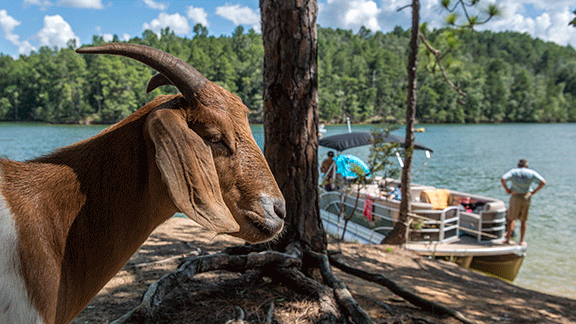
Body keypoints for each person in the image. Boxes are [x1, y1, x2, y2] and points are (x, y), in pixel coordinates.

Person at [500, 159, 546, 246]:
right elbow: (543, 182)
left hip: (515, 195)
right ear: (526, 166)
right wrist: (534, 192)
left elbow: (503, 179)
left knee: (511, 218)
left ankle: (508, 239)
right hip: (526, 196)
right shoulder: (531, 172)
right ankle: (521, 240)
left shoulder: (514, 172)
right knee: (523, 220)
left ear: (518, 165)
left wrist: (507, 189)